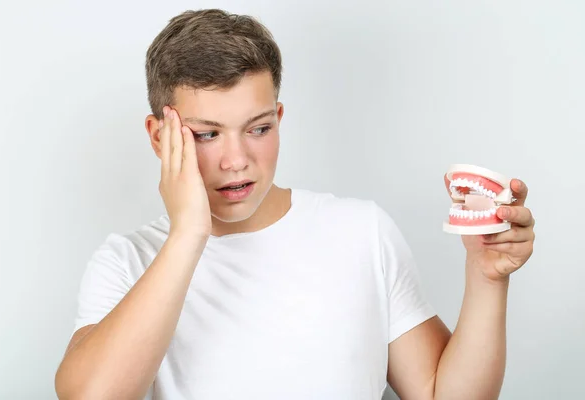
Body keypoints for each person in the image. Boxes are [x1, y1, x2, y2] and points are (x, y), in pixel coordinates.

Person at [54, 8, 535, 400]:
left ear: (279, 117)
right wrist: (188, 235)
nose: (237, 160)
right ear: (160, 138)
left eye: (258, 128)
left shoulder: (361, 232)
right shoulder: (126, 262)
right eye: (206, 135)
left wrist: (488, 279)